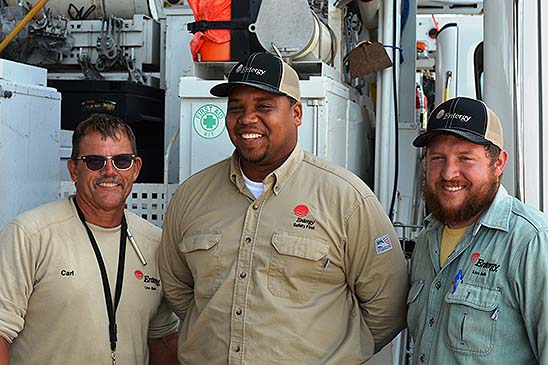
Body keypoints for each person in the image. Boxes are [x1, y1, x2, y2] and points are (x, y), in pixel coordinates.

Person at [159, 52, 408, 364]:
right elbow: (179, 290)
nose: (247, 118)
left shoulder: (346, 199)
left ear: (297, 113)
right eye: (236, 108)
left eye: (264, 106)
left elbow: (388, 306)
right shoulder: (191, 197)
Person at [0, 114, 179, 365]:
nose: (109, 171)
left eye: (121, 161)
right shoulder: (29, 234)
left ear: (136, 168)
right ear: (74, 170)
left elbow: (162, 338)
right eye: (94, 161)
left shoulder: (155, 243)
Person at [407, 96, 548, 364]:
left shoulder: (531, 242)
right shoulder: (427, 238)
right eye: (438, 158)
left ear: (499, 163)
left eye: (465, 158)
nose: (448, 173)